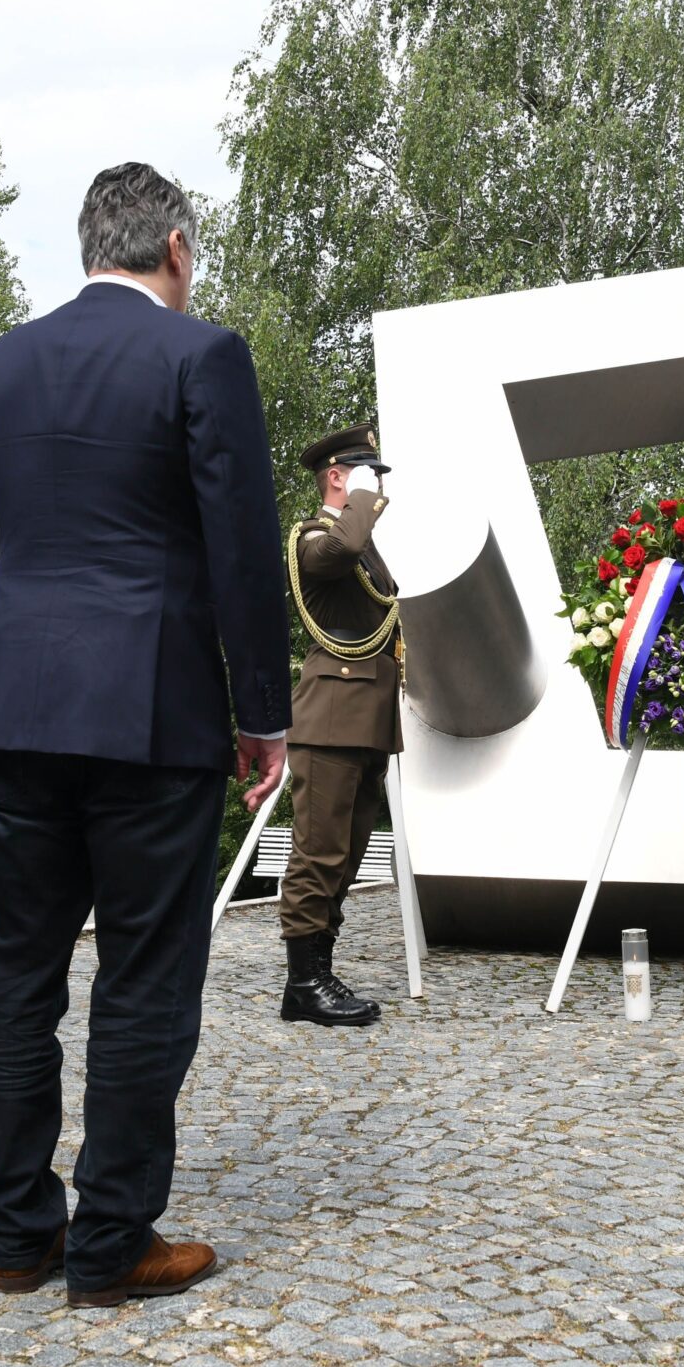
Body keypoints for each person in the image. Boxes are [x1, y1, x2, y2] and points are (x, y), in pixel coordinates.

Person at [0, 162, 291, 1308]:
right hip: (152, 712)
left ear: (91, 242)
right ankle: (111, 1244)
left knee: (17, 976)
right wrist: (261, 712)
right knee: (144, 979)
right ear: (177, 250)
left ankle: (17, 1233)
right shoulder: (200, 357)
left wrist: (2, 671)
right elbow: (241, 544)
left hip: (22, 707)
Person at [278, 424, 401, 1027]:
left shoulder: (359, 539)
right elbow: (343, 550)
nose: (378, 486)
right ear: (337, 475)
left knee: (347, 854)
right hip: (331, 716)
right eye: (366, 472)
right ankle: (303, 982)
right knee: (318, 852)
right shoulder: (315, 537)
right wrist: (359, 496)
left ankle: (317, 973)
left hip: (367, 717)